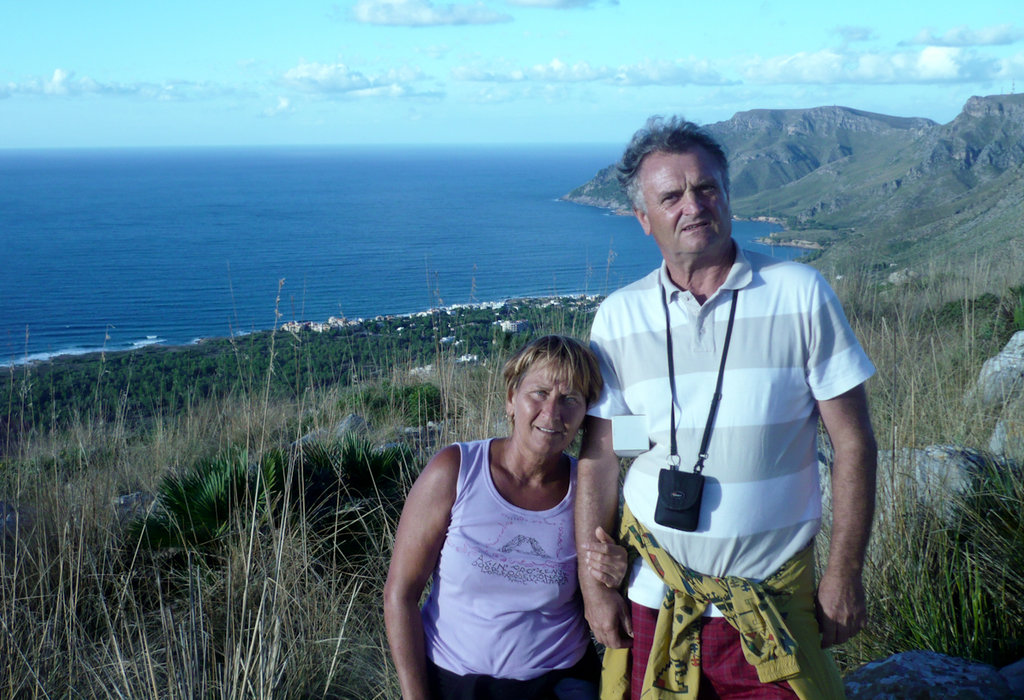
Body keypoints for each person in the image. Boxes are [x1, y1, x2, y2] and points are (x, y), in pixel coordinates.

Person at [574, 117, 878, 699]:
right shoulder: (619, 317)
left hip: (771, 606)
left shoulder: (798, 292)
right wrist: (595, 584)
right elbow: (610, 456)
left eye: (706, 187)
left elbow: (854, 443)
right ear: (644, 219)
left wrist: (844, 573)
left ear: (727, 195)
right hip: (654, 600)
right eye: (671, 195)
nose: (693, 204)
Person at [385, 335, 629, 700]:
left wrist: (620, 569)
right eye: (539, 393)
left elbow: (608, 590)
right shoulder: (456, 471)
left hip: (559, 684)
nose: (552, 413)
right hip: (454, 682)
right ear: (511, 398)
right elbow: (400, 594)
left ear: (585, 414)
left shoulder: (588, 492)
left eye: (569, 400)